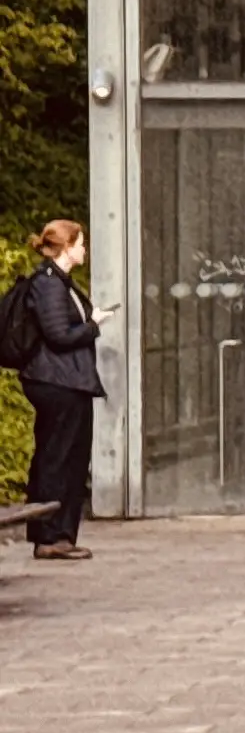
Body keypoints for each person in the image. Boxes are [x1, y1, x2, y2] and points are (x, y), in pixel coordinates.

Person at [11, 222, 101, 561]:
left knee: (69, 455)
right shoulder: (48, 285)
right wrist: (95, 326)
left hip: (68, 380)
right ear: (67, 246)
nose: (84, 250)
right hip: (56, 381)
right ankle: (51, 535)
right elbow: (58, 335)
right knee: (58, 455)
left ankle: (60, 532)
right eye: (80, 243)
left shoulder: (60, 282)